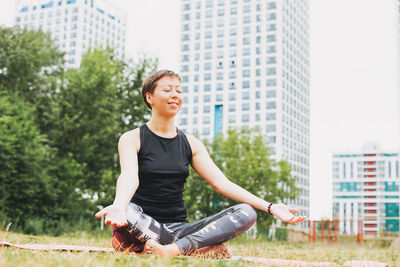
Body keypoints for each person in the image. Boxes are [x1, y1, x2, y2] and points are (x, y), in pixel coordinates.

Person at [95, 70, 306, 257]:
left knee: (245, 212)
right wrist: (119, 206)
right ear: (149, 97)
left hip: (179, 229)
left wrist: (270, 207)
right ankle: (194, 249)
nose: (175, 95)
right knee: (128, 212)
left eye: (179, 90)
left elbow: (222, 183)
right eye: (168, 89)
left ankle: (172, 250)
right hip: (141, 224)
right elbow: (129, 176)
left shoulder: (191, 144)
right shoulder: (132, 138)